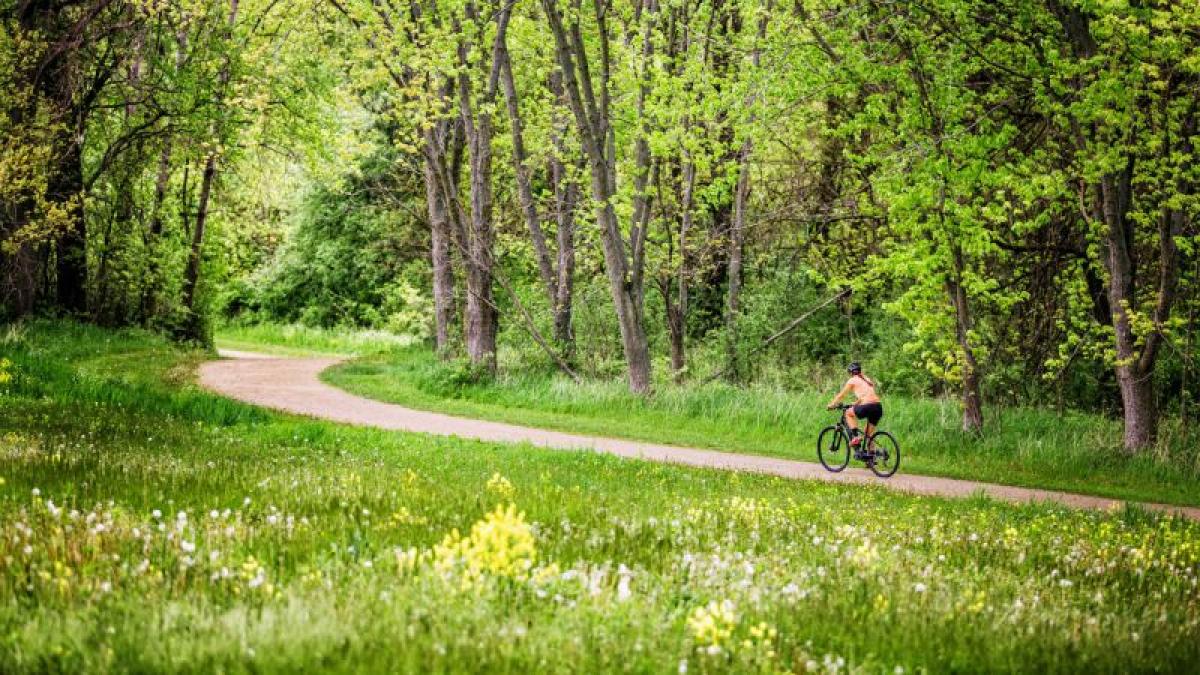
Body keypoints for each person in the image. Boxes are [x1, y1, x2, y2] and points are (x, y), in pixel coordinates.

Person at [826, 362, 883, 458]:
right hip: (877, 407)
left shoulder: (852, 380)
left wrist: (832, 404)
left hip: (867, 406)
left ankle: (855, 437)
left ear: (851, 372)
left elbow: (842, 395)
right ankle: (871, 457)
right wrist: (855, 404)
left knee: (848, 413)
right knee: (868, 434)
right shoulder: (866, 379)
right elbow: (866, 395)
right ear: (859, 371)